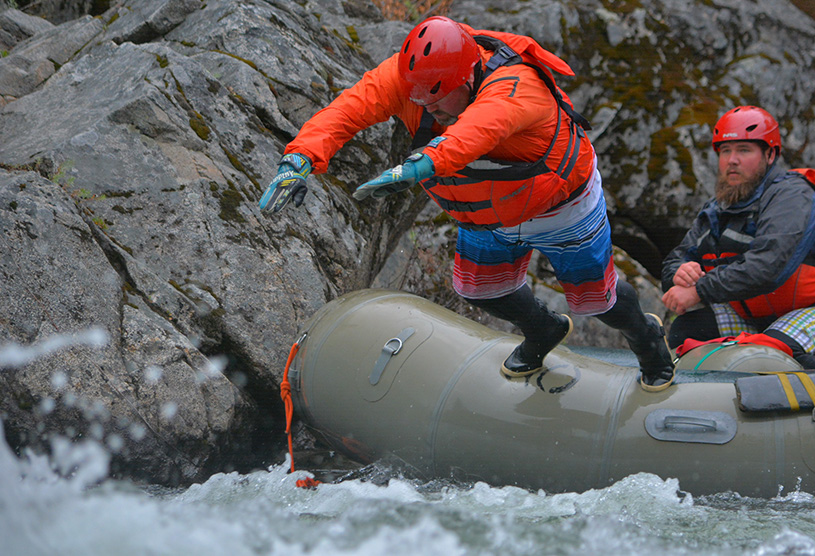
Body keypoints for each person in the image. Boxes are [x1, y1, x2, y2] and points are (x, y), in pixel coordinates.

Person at [258, 16, 674, 391]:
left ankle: (646, 338)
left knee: (596, 301)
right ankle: (543, 329)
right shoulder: (412, 79)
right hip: (487, 213)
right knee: (479, 290)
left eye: (437, 101)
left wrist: (417, 166)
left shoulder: (518, 85)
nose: (426, 108)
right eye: (419, 100)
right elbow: (346, 112)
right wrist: (299, 158)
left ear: (470, 74)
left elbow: (476, 131)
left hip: (561, 207)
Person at [660, 106, 815, 369]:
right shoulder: (717, 208)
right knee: (688, 328)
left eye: (744, 150)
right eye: (725, 151)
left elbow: (766, 269)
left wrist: (698, 289)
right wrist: (680, 273)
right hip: (769, 318)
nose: (732, 160)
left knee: (770, 356)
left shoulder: (792, 197)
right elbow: (675, 259)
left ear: (770, 155)